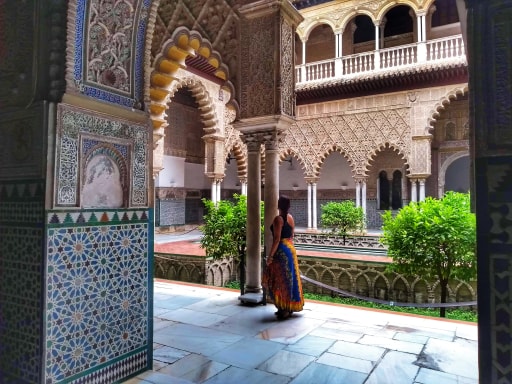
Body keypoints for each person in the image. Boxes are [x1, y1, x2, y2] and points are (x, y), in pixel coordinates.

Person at [263, 195, 304, 320]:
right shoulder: (290, 218)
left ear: (278, 205)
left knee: (279, 280)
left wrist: (270, 257)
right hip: (290, 249)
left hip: (281, 250)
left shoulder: (278, 219)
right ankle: (289, 307)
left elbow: (276, 239)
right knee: (290, 279)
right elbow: (292, 235)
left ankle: (283, 308)